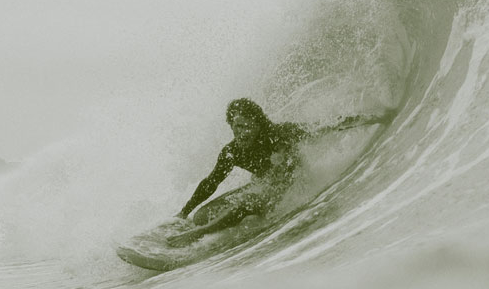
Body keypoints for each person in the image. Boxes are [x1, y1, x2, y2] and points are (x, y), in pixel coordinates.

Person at [167, 98, 392, 247]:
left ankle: (202, 233)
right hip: (260, 187)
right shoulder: (232, 151)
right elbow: (211, 182)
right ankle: (214, 224)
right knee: (201, 215)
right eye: (235, 127)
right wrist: (184, 212)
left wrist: (374, 118)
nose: (240, 133)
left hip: (287, 186)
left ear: (258, 124)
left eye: (245, 126)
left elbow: (325, 126)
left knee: (248, 201)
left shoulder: (279, 134)